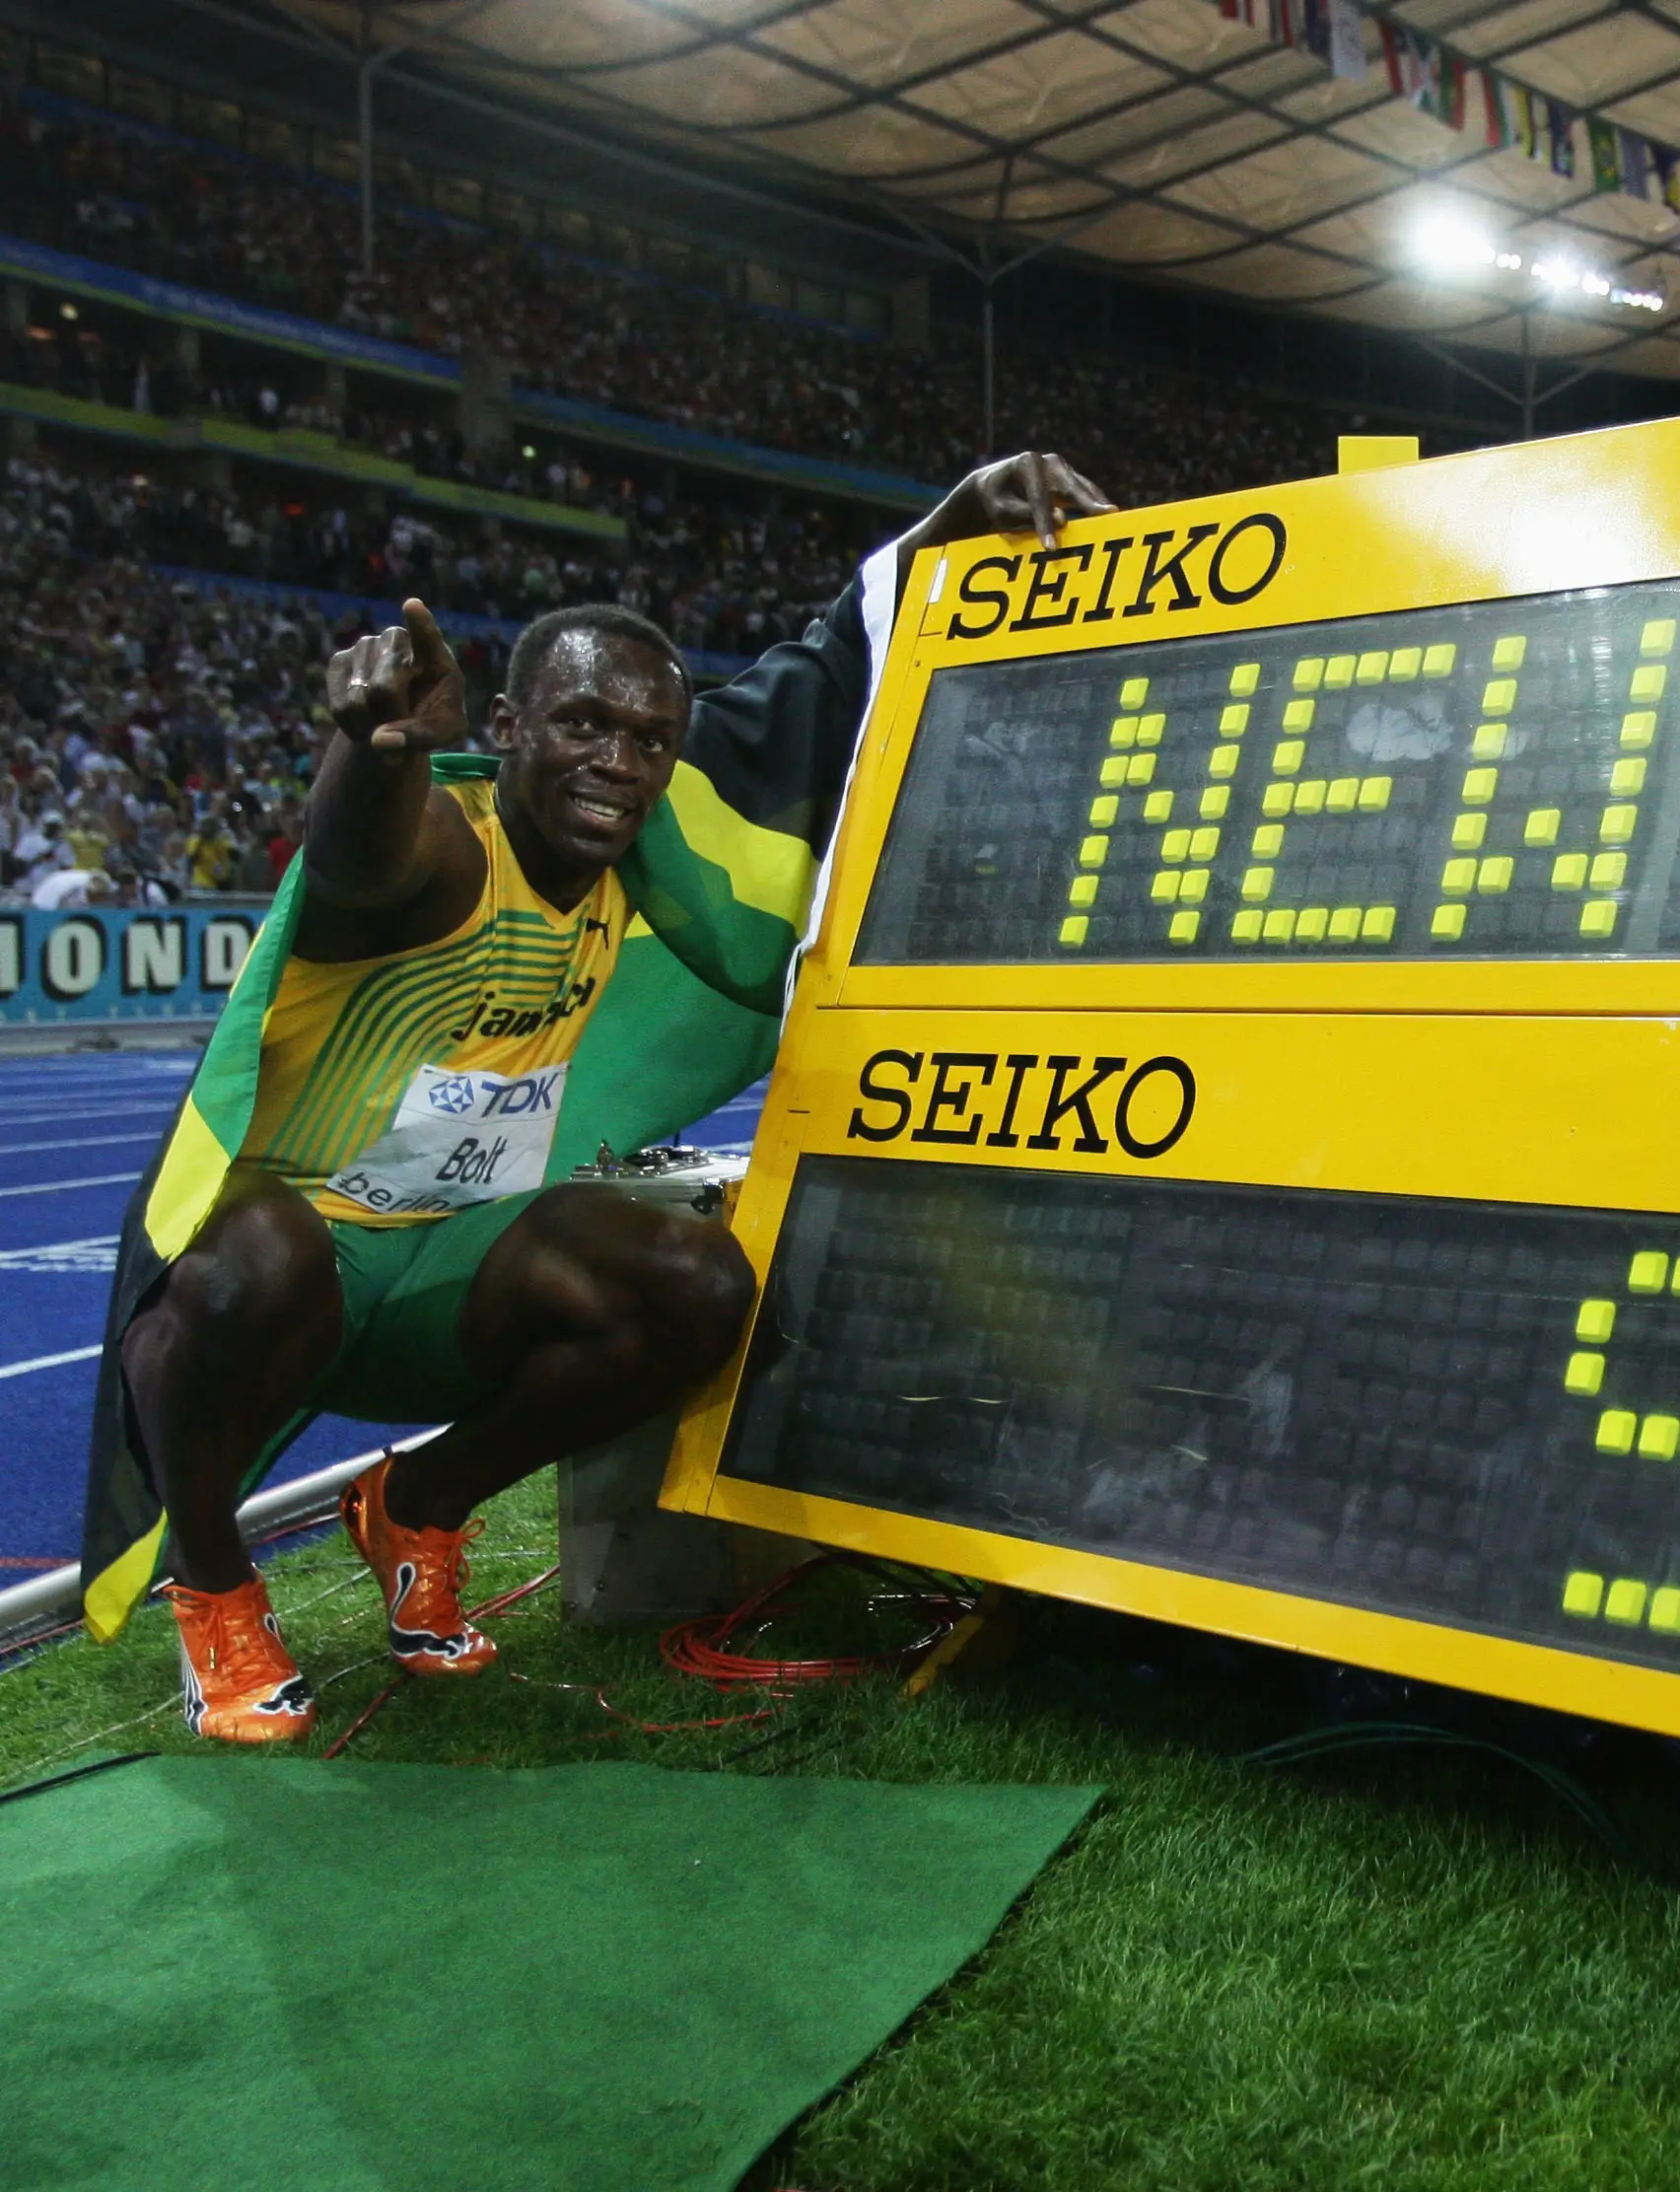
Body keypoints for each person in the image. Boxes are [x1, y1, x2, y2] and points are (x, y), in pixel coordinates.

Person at [109, 450, 1111, 1740]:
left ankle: (417, 1505)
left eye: (651, 739)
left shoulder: (648, 847)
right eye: (585, 724)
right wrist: (372, 751)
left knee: (703, 1284)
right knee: (249, 1264)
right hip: (296, 1264)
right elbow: (360, 864)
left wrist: (951, 517)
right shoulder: (448, 846)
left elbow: (812, 678)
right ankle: (217, 1589)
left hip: (453, 1268)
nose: (620, 762)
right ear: (510, 727)